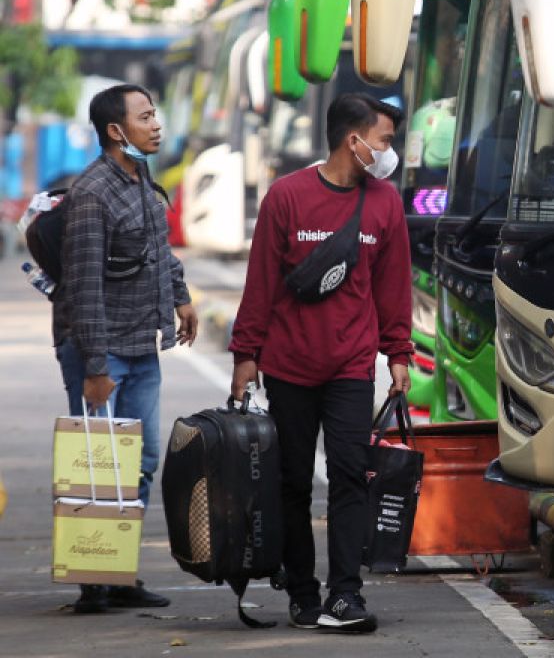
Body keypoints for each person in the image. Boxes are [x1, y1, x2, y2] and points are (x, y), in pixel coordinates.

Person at [228, 93, 413, 633]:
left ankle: (346, 595)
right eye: (383, 140)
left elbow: (393, 286)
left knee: (352, 475)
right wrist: (246, 354)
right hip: (289, 366)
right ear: (353, 142)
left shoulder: (385, 204)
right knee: (290, 483)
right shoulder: (286, 198)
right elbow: (260, 282)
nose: (388, 151)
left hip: (352, 366)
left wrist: (398, 353)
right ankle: (303, 592)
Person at [53, 83, 198, 614]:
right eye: (145, 116)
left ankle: (120, 572)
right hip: (102, 350)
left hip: (141, 347)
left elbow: (156, 249)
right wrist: (94, 367)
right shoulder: (91, 193)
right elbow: (84, 284)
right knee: (96, 467)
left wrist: (180, 298)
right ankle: (93, 580)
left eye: (155, 113)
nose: (156, 123)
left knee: (139, 464)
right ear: (116, 131)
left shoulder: (141, 180)